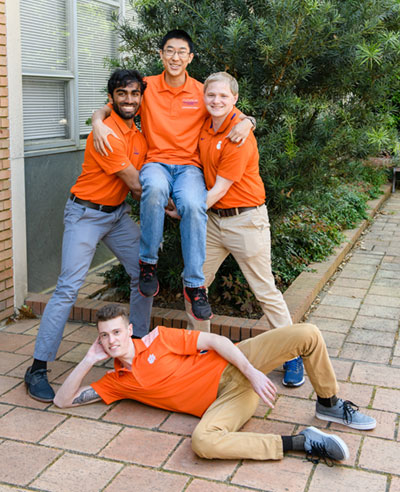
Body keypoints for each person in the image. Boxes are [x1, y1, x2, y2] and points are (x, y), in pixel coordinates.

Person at [54, 303, 376, 465]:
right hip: (227, 402)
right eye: (104, 335)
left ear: (130, 329)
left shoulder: (160, 338)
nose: (111, 341)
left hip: (236, 363)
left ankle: (329, 404)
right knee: (203, 444)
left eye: (116, 332)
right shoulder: (116, 382)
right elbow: (62, 402)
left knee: (307, 333)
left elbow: (216, 339)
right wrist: (88, 360)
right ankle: (299, 442)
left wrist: (250, 371)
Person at [92, 30, 256, 322]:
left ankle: (195, 285)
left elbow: (229, 108)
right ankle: (148, 263)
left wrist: (248, 121)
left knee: (195, 205)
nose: (175, 57)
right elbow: (117, 103)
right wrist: (97, 120)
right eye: (170, 51)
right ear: (161, 55)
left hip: (190, 167)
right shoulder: (148, 87)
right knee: (152, 189)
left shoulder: (200, 91)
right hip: (156, 162)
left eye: (182, 52)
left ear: (190, 57)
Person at [24, 69, 153, 403]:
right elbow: (136, 185)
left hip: (117, 215)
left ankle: (135, 345)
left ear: (141, 97)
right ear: (111, 97)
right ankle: (37, 368)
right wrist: (177, 210)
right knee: (68, 288)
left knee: (144, 271)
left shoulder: (137, 135)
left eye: (134, 94)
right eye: (121, 94)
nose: (129, 99)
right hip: (86, 214)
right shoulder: (107, 132)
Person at [178, 71, 303, 386]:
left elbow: (220, 188)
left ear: (234, 99)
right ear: (204, 98)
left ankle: (292, 355)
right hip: (213, 221)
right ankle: (202, 351)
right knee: (193, 284)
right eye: (211, 95)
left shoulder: (239, 133)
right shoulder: (205, 124)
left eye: (223, 96)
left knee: (265, 291)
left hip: (246, 220)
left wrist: (186, 211)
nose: (216, 101)